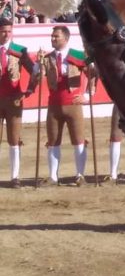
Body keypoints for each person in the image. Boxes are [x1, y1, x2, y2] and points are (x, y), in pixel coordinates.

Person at [40, 26, 91, 186]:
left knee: (79, 140)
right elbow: (37, 75)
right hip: (54, 104)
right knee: (53, 141)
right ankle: (53, 177)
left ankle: (80, 175)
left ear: (66, 39)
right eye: (52, 36)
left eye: (56, 36)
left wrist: (87, 96)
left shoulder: (78, 55)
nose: (53, 39)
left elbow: (94, 74)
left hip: (73, 103)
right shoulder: (47, 58)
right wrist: (37, 65)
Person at [0, 18, 38, 188]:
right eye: (3, 31)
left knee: (14, 139)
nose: (6, 34)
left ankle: (15, 176)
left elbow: (34, 70)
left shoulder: (18, 50)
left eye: (9, 31)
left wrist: (30, 90)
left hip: (14, 99)